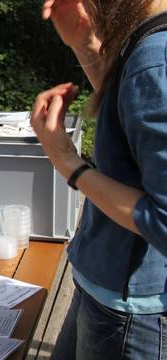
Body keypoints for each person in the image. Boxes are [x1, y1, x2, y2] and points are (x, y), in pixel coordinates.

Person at [32, 1, 167, 359]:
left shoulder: (156, 59)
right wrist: (84, 42)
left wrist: (67, 161)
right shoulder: (147, 41)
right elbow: (128, 128)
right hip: (105, 285)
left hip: (132, 312)